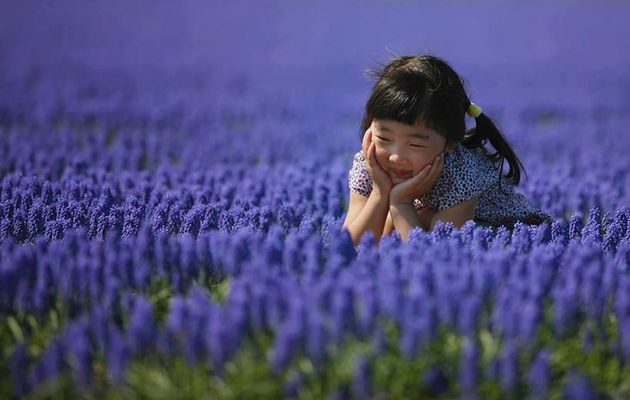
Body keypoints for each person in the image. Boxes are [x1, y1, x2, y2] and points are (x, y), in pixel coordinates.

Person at [342, 54, 552, 245]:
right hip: (430, 226)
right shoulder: (369, 162)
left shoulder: (461, 174)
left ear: (450, 143)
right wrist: (380, 192)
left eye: (415, 144)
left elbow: (434, 254)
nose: (396, 156)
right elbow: (350, 244)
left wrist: (401, 202)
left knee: (415, 217)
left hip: (507, 233)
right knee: (397, 218)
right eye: (384, 137)